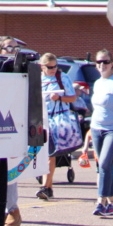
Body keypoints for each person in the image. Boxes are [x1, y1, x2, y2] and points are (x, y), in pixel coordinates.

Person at [87, 50, 113, 218]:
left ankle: (101, 200)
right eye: (98, 62)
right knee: (105, 166)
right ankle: (112, 203)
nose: (102, 65)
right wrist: (90, 130)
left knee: (104, 163)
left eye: (105, 62)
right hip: (97, 128)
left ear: (112, 63)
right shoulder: (98, 83)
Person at [33, 52, 80, 203]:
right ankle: (49, 188)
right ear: (42, 66)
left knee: (49, 155)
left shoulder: (62, 78)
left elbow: (72, 98)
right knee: (44, 154)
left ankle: (46, 187)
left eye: (55, 66)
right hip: (41, 120)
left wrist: (59, 97)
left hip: (57, 120)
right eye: (50, 67)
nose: (53, 69)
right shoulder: (38, 80)